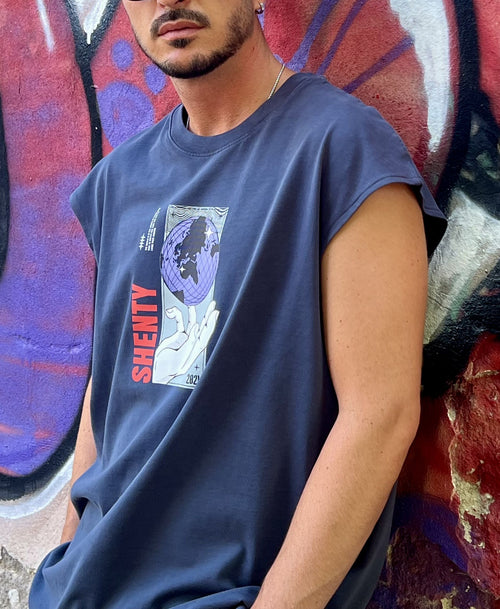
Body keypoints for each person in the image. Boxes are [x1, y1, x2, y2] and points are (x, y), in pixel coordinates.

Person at [29, 1, 446, 608]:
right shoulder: (120, 179)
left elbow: (380, 418)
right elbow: (111, 388)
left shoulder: (343, 151)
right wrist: (69, 553)